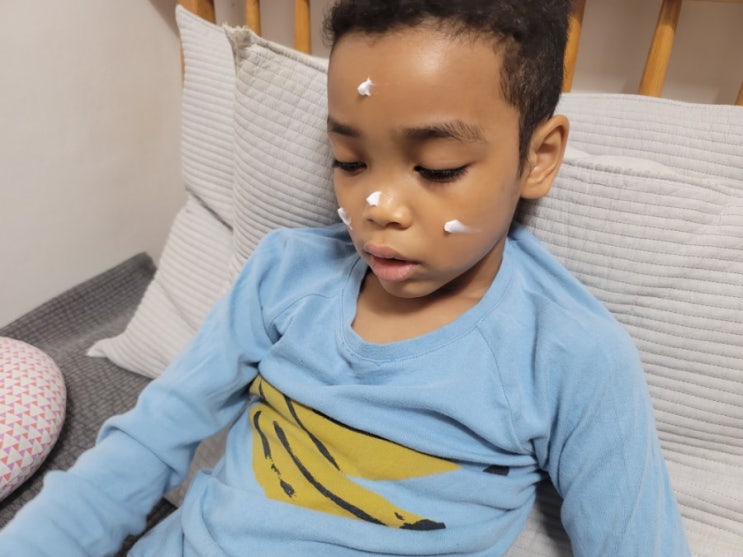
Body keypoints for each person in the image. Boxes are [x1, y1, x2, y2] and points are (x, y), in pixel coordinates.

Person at [0, 1, 690, 555]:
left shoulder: (571, 354)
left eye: (438, 169)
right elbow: (149, 440)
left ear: (538, 158)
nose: (377, 207)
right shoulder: (284, 273)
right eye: (350, 161)